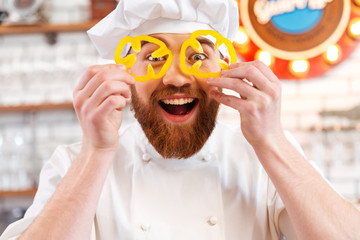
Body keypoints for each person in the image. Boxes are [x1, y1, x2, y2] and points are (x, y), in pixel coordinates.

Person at [1, 0, 360, 239]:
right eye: (154, 57)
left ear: (226, 68)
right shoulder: (74, 164)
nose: (175, 77)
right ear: (125, 73)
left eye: (197, 55)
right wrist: (96, 151)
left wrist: (273, 141)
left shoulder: (265, 156)